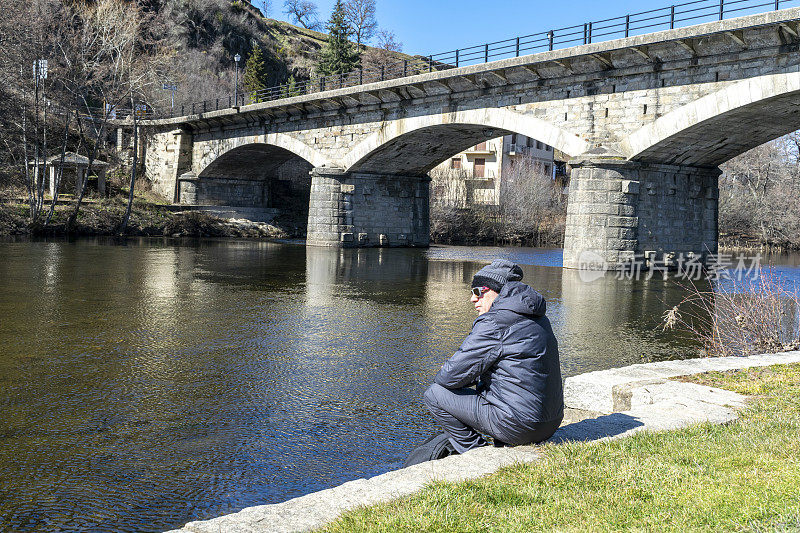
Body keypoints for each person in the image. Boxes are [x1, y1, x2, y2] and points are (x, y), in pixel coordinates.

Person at [423, 259, 563, 454]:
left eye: (477, 291)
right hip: (550, 422)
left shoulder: (494, 322)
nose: (473, 299)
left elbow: (447, 378)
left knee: (435, 394)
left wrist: (462, 375)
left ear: (496, 291)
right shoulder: (538, 317)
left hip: (520, 427)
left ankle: (478, 453)